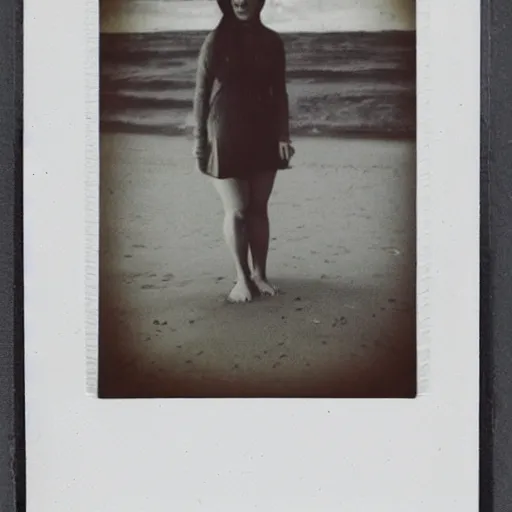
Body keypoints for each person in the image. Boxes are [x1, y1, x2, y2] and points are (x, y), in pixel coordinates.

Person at [193, 0, 294, 303]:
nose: (241, 0)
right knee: (237, 209)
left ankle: (259, 274)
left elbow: (280, 92)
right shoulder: (215, 41)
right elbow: (201, 92)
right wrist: (200, 141)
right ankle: (241, 278)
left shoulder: (272, 42)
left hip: (263, 132)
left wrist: (283, 135)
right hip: (225, 132)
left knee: (258, 209)